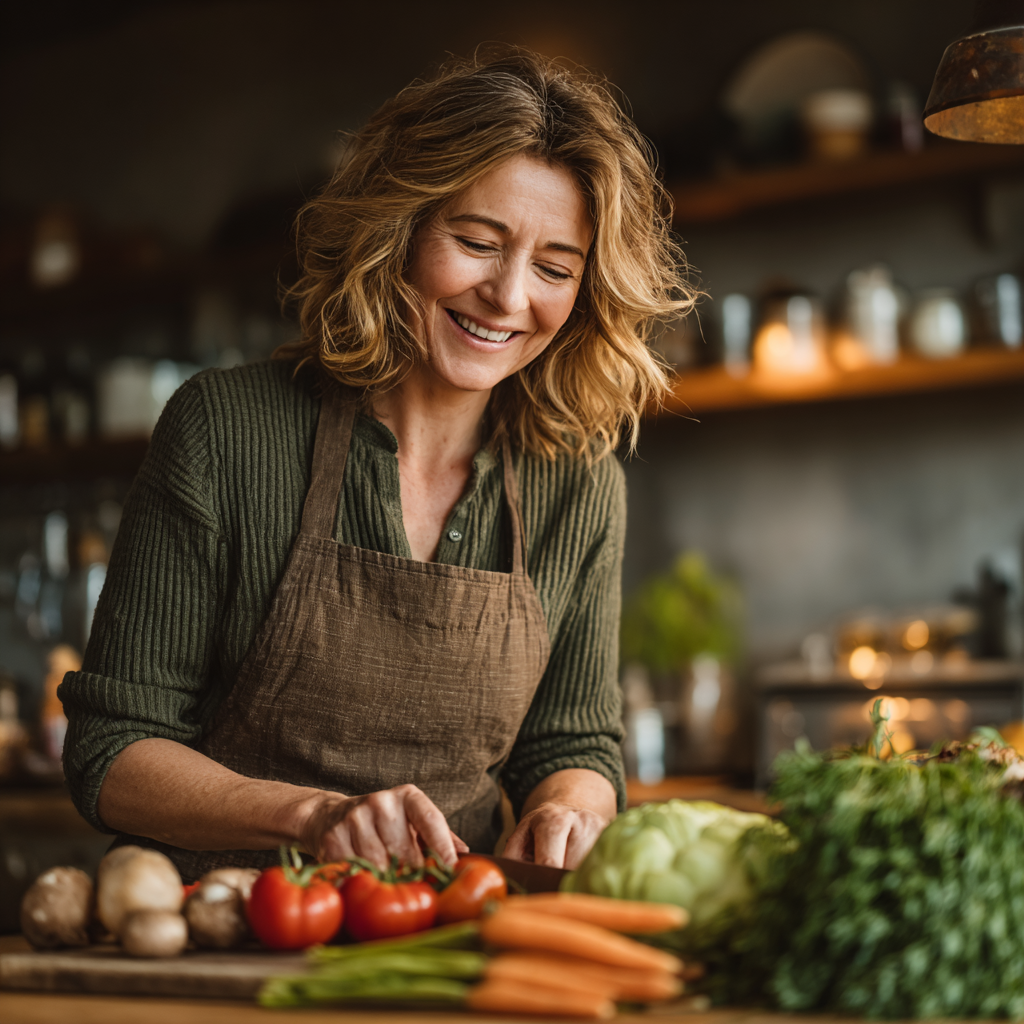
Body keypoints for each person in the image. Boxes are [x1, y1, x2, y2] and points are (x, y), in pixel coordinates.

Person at [59, 47, 693, 880]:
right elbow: (113, 746)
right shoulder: (228, 428)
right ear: (399, 228)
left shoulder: (577, 480)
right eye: (476, 241)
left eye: (553, 268)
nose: (507, 297)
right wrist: (316, 817)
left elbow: (570, 742)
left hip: (446, 937)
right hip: (218, 927)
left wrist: (568, 809)